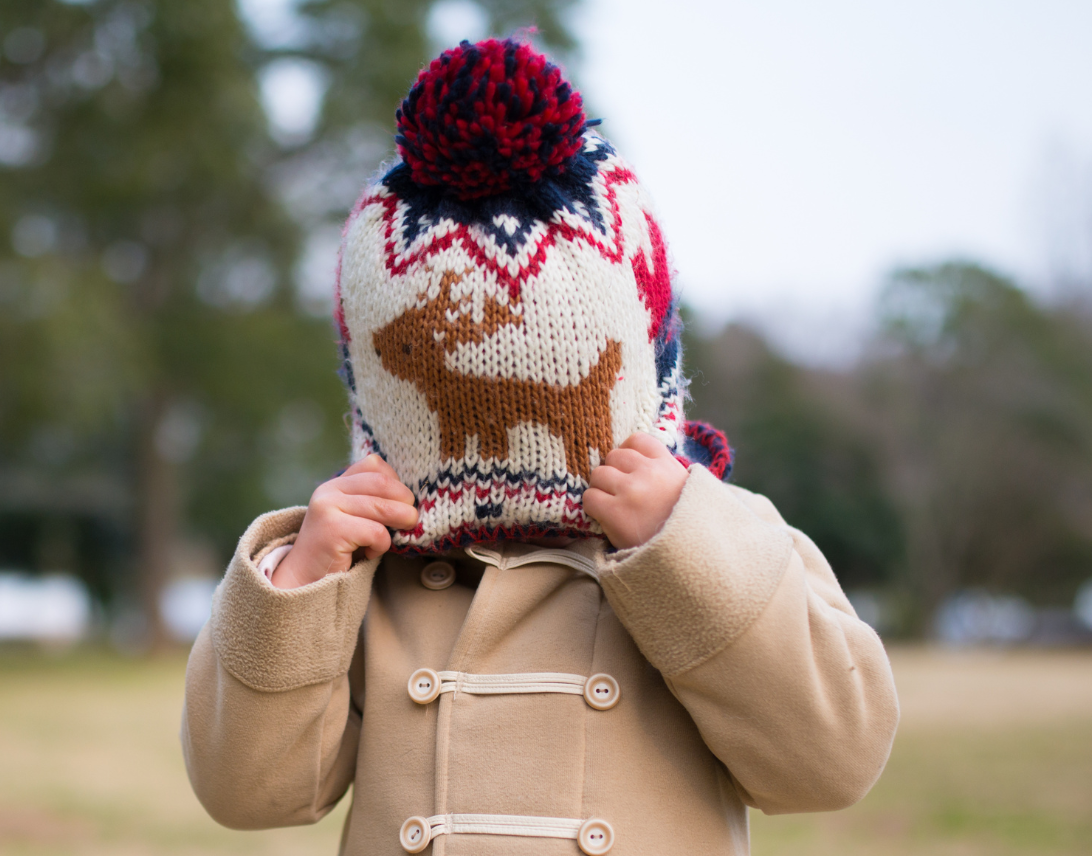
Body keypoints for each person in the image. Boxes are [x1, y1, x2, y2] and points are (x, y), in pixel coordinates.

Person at [182, 38, 899, 856]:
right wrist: (297, 584)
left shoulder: (715, 549)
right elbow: (248, 793)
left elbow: (831, 764)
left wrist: (685, 546)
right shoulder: (364, 579)